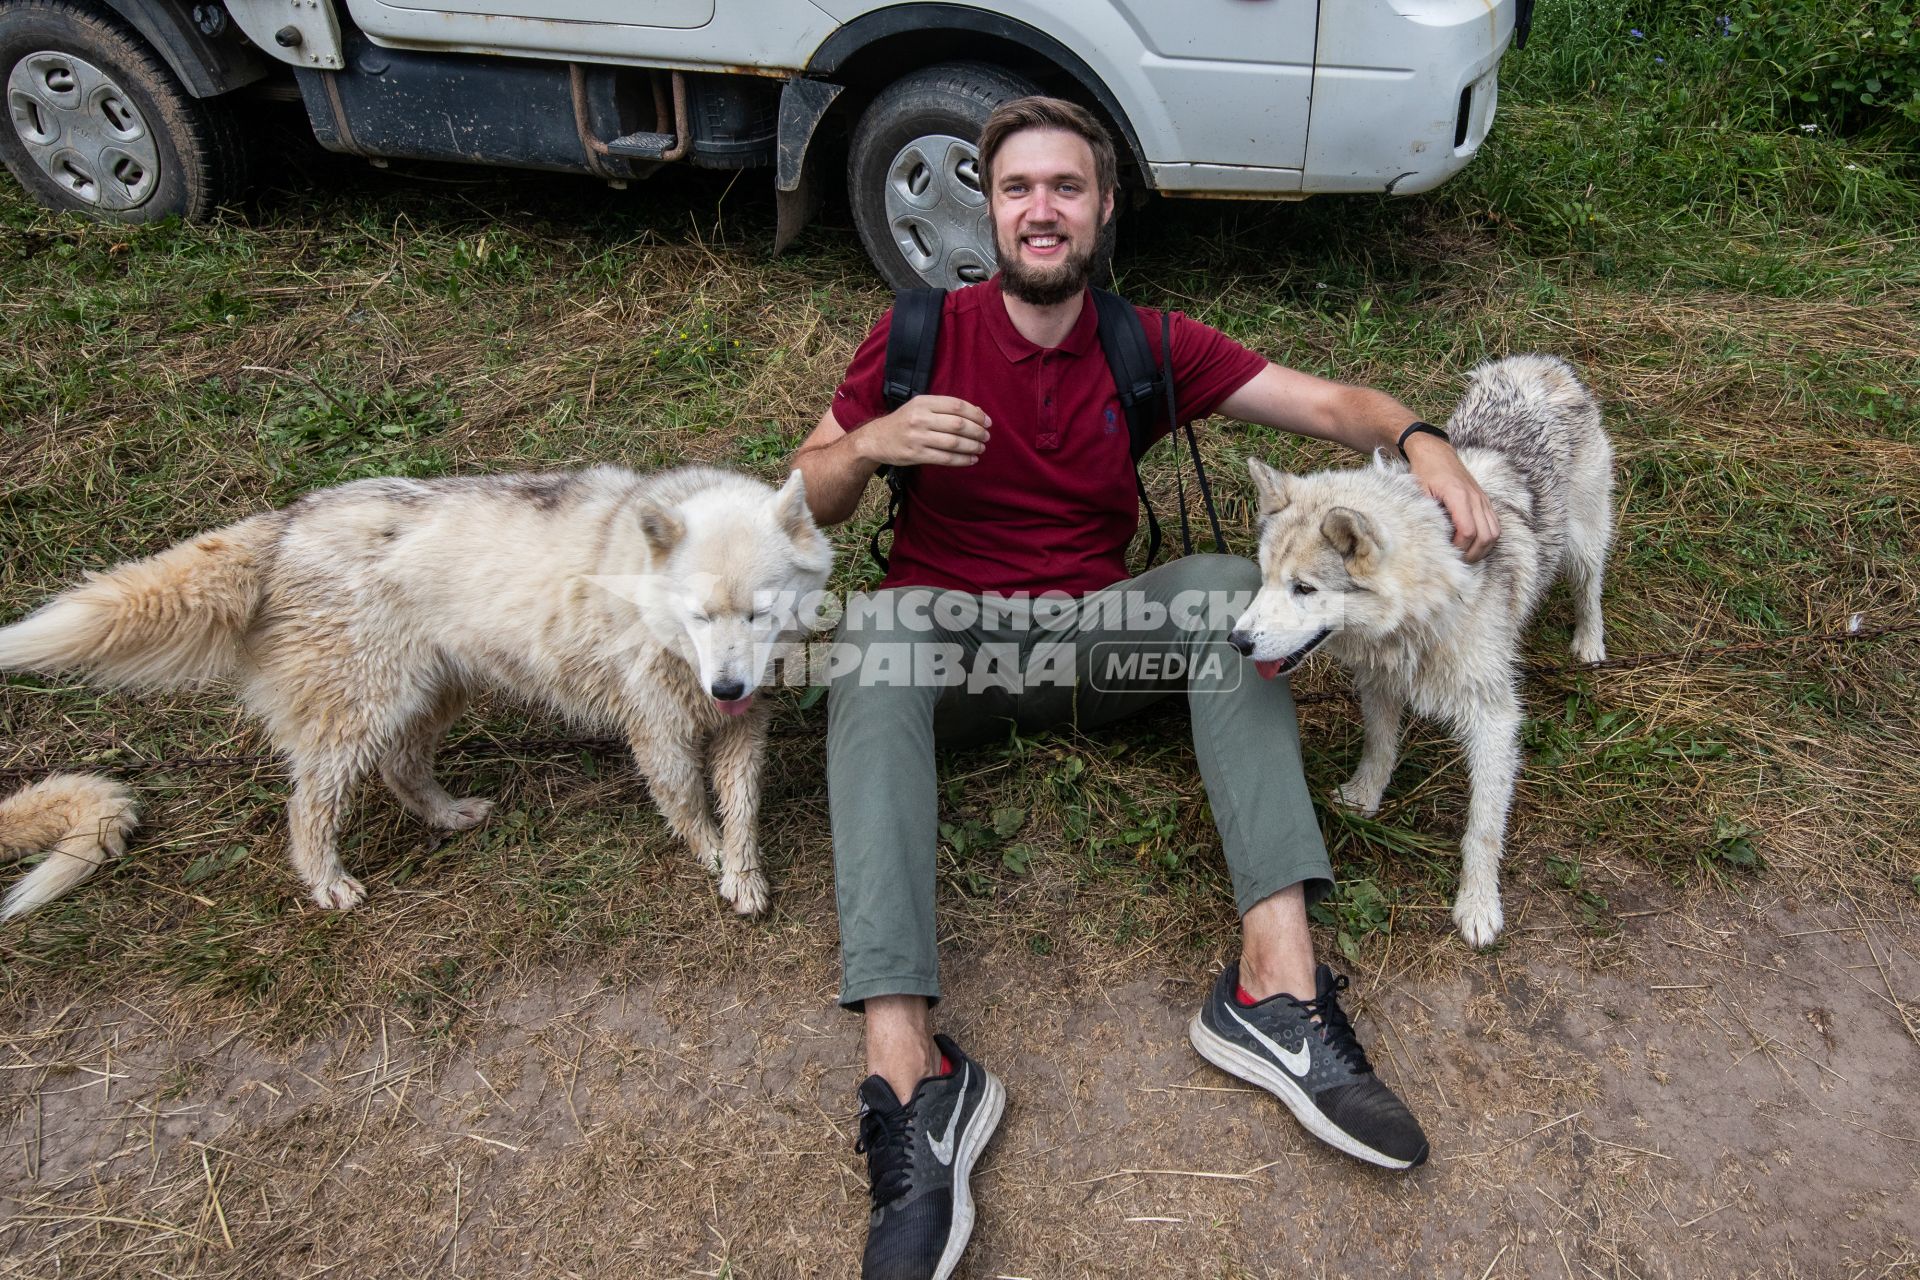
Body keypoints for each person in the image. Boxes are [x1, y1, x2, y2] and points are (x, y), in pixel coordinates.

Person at [791, 97, 1500, 1280]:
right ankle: (913, 1076)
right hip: (946, 646)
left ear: (1103, 207)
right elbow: (800, 498)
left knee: (1230, 584)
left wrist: (1422, 437)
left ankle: (1277, 987)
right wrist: (869, 445)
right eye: (1018, 189)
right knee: (872, 635)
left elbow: (1330, 408)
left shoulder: (1146, 342)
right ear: (990, 206)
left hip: (1094, 643)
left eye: (1066, 187)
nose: (1041, 210)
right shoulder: (915, 332)